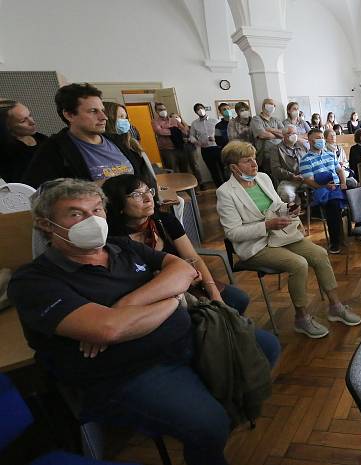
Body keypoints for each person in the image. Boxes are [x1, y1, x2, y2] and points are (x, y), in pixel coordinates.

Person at [8, 178, 280, 465]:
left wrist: (125, 306)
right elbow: (109, 329)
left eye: (97, 210)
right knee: (208, 424)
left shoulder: (120, 246)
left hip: (187, 337)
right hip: (128, 371)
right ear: (46, 225)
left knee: (266, 347)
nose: (93, 220)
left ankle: (215, 407)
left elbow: (183, 269)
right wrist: (171, 298)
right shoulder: (34, 280)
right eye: (76, 214)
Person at [216, 141, 361, 338]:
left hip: (280, 235)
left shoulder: (263, 178)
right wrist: (266, 226)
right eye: (247, 160)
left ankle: (335, 306)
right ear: (233, 167)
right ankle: (301, 318)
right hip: (256, 245)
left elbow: (277, 205)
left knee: (319, 254)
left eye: (254, 158)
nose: (254, 163)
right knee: (299, 264)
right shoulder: (225, 192)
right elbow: (232, 233)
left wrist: (288, 209)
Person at [102, 174, 250, 313]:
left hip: (189, 284)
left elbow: (193, 258)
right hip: (155, 300)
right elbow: (135, 285)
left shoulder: (164, 221)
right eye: (136, 195)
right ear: (118, 205)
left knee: (239, 299)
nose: (148, 198)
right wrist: (181, 281)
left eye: (148, 191)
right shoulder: (113, 241)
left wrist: (215, 295)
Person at [22, 83, 155, 189]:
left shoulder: (117, 141)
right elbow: (41, 192)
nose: (104, 117)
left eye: (102, 110)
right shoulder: (54, 150)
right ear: (69, 115)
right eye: (93, 111)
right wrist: (94, 187)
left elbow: (143, 178)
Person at [300, 129, 347, 254]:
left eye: (322, 137)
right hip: (321, 190)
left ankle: (357, 231)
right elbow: (309, 181)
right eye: (317, 138)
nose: (321, 140)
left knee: (357, 195)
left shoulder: (330, 154)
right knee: (334, 205)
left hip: (337, 186)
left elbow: (340, 171)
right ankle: (335, 241)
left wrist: (343, 184)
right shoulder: (306, 160)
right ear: (310, 141)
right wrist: (324, 186)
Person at [0, 100, 48, 182]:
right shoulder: (9, 153)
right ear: (8, 127)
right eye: (23, 121)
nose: (32, 122)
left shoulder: (42, 139)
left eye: (30, 115)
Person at [189, 103, 225, 187]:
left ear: (204, 109)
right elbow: (191, 135)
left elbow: (220, 133)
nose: (200, 110)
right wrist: (196, 142)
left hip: (217, 147)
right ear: (195, 112)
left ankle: (229, 187)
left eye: (201, 108)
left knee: (223, 168)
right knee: (213, 170)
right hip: (205, 149)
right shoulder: (194, 123)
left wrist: (215, 138)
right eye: (198, 109)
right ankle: (219, 188)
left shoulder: (215, 120)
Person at [151, 102, 189, 172]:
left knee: (184, 168)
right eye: (160, 109)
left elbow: (183, 130)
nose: (163, 110)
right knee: (172, 170)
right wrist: (175, 130)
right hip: (167, 150)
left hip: (179, 147)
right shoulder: (155, 122)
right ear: (156, 111)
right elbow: (160, 132)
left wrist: (174, 130)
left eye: (164, 109)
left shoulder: (173, 120)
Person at [269, 125, 306, 190]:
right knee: (287, 194)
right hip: (288, 180)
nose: (293, 135)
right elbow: (275, 169)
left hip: (305, 177)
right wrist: (292, 176)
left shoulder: (302, 146)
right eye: (290, 133)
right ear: (283, 135)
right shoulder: (276, 149)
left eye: (295, 133)